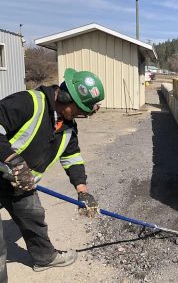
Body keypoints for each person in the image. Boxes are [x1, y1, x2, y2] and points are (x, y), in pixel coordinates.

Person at [0, 68, 105, 281]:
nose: (82, 115)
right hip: (6, 171)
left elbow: (72, 157)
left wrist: (82, 191)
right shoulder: (28, 102)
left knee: (33, 215)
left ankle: (44, 257)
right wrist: (11, 159)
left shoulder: (68, 127)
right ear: (66, 97)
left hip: (20, 182)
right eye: (80, 110)